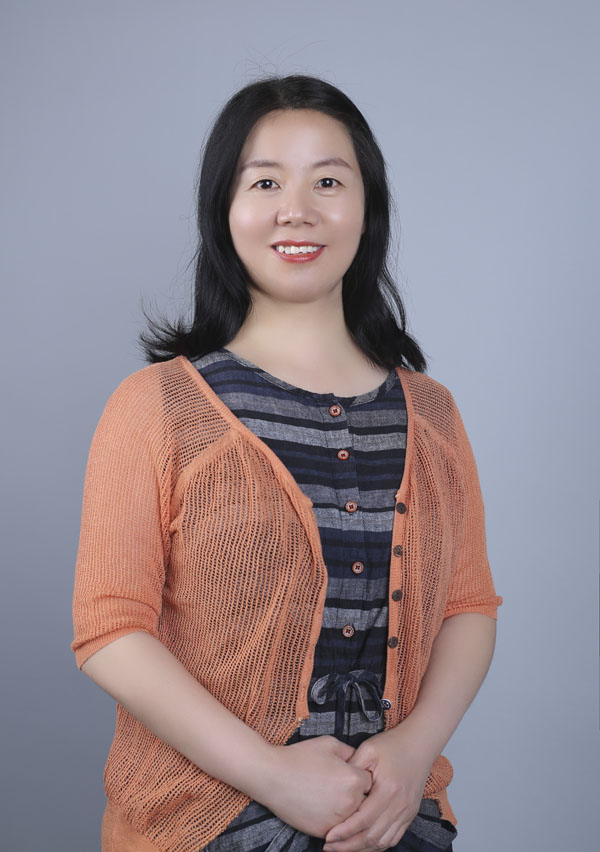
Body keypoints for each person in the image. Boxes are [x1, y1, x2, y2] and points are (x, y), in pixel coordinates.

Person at [71, 73, 503, 852]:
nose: (296, 209)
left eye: (328, 182)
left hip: (393, 822)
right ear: (224, 209)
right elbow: (110, 628)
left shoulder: (432, 414)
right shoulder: (158, 406)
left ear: (368, 208)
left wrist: (412, 754)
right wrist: (273, 774)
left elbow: (468, 606)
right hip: (198, 827)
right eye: (265, 181)